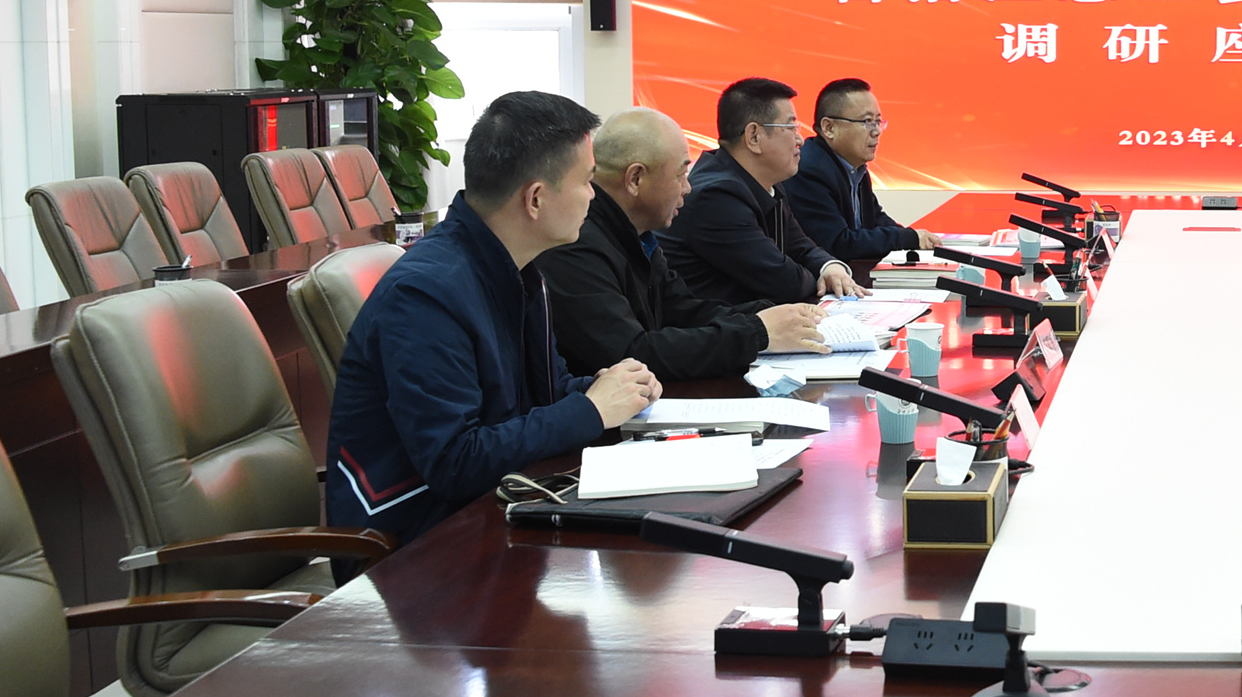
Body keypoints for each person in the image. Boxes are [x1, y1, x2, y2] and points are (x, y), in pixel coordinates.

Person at [327, 91, 660, 542]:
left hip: (496, 507)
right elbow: (455, 463)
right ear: (535, 199)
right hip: (416, 544)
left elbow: (543, 393)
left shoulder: (518, 269)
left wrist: (613, 390)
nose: (593, 195)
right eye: (587, 181)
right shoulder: (425, 296)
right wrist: (591, 409)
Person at [540, 107, 832, 382]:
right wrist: (758, 332)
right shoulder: (575, 245)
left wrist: (772, 316)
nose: (687, 188)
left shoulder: (638, 234)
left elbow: (683, 311)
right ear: (635, 179)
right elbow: (632, 353)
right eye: (680, 175)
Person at [660, 77, 858, 307]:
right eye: (791, 127)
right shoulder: (716, 197)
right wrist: (820, 279)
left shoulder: (767, 182)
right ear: (754, 136)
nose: (800, 140)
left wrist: (829, 267)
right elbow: (786, 283)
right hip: (714, 325)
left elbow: (801, 247)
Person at [784, 77, 936, 277]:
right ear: (829, 128)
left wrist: (914, 238)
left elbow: (876, 219)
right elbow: (837, 243)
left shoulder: (854, 167)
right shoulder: (809, 170)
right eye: (866, 122)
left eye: (878, 121)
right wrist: (906, 238)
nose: (876, 132)